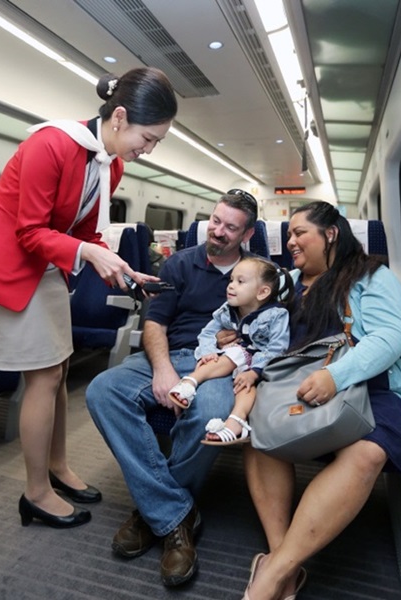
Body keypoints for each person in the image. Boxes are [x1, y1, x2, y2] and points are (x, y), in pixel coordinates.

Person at [0, 67, 177, 529]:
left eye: (157, 143)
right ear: (121, 117)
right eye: (148, 138)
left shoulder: (113, 165)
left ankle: (58, 466)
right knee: (44, 376)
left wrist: (121, 268)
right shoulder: (51, 144)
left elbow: (85, 234)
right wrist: (88, 253)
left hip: (44, 263)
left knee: (60, 366)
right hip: (8, 263)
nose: (148, 149)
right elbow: (29, 231)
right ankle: (35, 493)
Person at [234, 201, 401, 600]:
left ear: (331, 233)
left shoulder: (371, 275)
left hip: (370, 386)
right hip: (295, 386)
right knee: (260, 435)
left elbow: (389, 336)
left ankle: (273, 574)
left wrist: (335, 377)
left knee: (368, 453)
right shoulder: (284, 281)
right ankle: (283, 558)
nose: (291, 241)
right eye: (288, 235)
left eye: (300, 232)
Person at [86, 190, 258, 586]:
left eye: (230, 227)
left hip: (215, 365)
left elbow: (271, 331)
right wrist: (163, 370)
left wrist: (241, 339)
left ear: (246, 233)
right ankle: (177, 513)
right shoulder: (180, 263)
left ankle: (154, 515)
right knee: (102, 392)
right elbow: (155, 324)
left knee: (209, 414)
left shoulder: (256, 273)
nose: (217, 232)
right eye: (215, 221)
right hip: (166, 355)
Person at [168, 256, 293, 445]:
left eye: (240, 282)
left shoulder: (276, 315)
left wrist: (255, 371)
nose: (231, 286)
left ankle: (232, 417)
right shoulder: (227, 310)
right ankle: (197, 388)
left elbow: (278, 347)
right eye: (231, 280)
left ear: (262, 292)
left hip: (263, 364)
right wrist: (208, 351)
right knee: (232, 358)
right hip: (237, 359)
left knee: (245, 380)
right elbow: (207, 333)